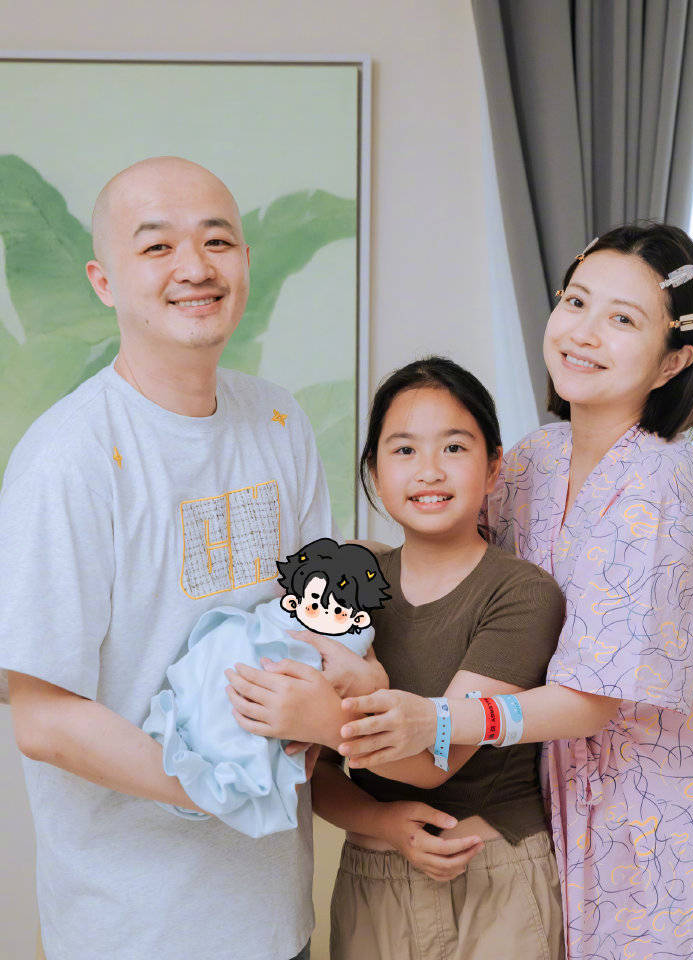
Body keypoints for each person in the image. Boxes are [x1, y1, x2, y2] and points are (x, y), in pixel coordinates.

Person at [334, 225, 693, 959]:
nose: (584, 333)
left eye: (623, 319)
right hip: (584, 815)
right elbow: (451, 560)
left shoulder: (665, 483)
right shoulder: (534, 460)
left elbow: (593, 699)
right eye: (576, 302)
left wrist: (440, 721)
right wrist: (358, 565)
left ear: (673, 360)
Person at [0, 156, 380, 960]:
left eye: (217, 241)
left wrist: (340, 695)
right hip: (132, 927)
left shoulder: (280, 420)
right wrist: (219, 781)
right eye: (157, 247)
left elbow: (326, 622)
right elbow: (43, 718)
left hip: (275, 918)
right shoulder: (68, 457)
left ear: (244, 262)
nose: (195, 267)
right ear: (103, 281)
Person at [226, 358, 568, 960]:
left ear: (493, 467)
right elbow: (314, 772)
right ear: (374, 472)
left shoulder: (522, 593)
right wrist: (383, 824)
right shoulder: (347, 589)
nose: (429, 470)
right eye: (404, 450)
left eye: (454, 447)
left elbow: (441, 758)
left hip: (495, 880)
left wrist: (322, 715)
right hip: (372, 879)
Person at [143, 539, 389, 837]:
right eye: (314, 604)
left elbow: (348, 659)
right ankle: (207, 751)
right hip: (239, 656)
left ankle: (220, 764)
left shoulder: (351, 637)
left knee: (245, 720)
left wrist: (370, 680)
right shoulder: (287, 604)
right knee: (226, 666)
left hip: (282, 691)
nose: (320, 611)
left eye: (336, 610)